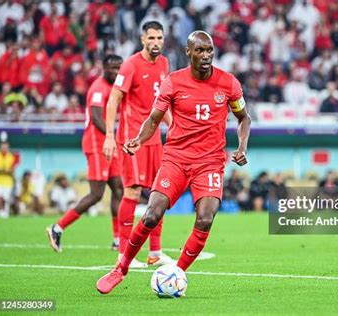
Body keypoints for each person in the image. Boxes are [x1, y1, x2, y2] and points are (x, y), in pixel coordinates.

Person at [96, 30, 251, 294]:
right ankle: (120, 269)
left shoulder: (229, 83)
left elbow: (244, 118)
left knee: (205, 219)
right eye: (200, 50)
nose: (206, 56)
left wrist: (242, 147)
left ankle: (176, 272)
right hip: (177, 158)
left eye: (209, 50)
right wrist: (138, 139)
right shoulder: (173, 81)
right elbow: (153, 119)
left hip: (210, 162)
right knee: (151, 214)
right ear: (188, 52)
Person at [102, 21, 173, 267]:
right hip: (133, 139)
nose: (155, 42)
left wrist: (174, 128)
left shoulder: (164, 64)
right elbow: (113, 101)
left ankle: (155, 251)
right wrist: (110, 136)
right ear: (143, 39)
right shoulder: (131, 65)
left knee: (160, 192)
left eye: (159, 38)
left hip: (154, 139)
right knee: (132, 191)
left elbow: (162, 105)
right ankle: (123, 253)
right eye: (151, 38)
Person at [46, 54, 124, 253]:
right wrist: (110, 135)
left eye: (118, 68)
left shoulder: (115, 87)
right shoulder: (98, 88)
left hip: (109, 144)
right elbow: (97, 117)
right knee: (96, 194)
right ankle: (57, 227)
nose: (115, 72)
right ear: (103, 68)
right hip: (97, 145)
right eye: (111, 68)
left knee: (118, 189)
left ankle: (117, 239)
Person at [0, 141, 16, 218]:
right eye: (2, 147)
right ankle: (1, 211)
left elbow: (12, 171)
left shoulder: (11, 156)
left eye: (5, 147)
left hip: (8, 182)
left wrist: (2, 170)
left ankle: (3, 212)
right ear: (0, 147)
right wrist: (6, 171)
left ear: (8, 148)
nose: (4, 148)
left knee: (5, 199)